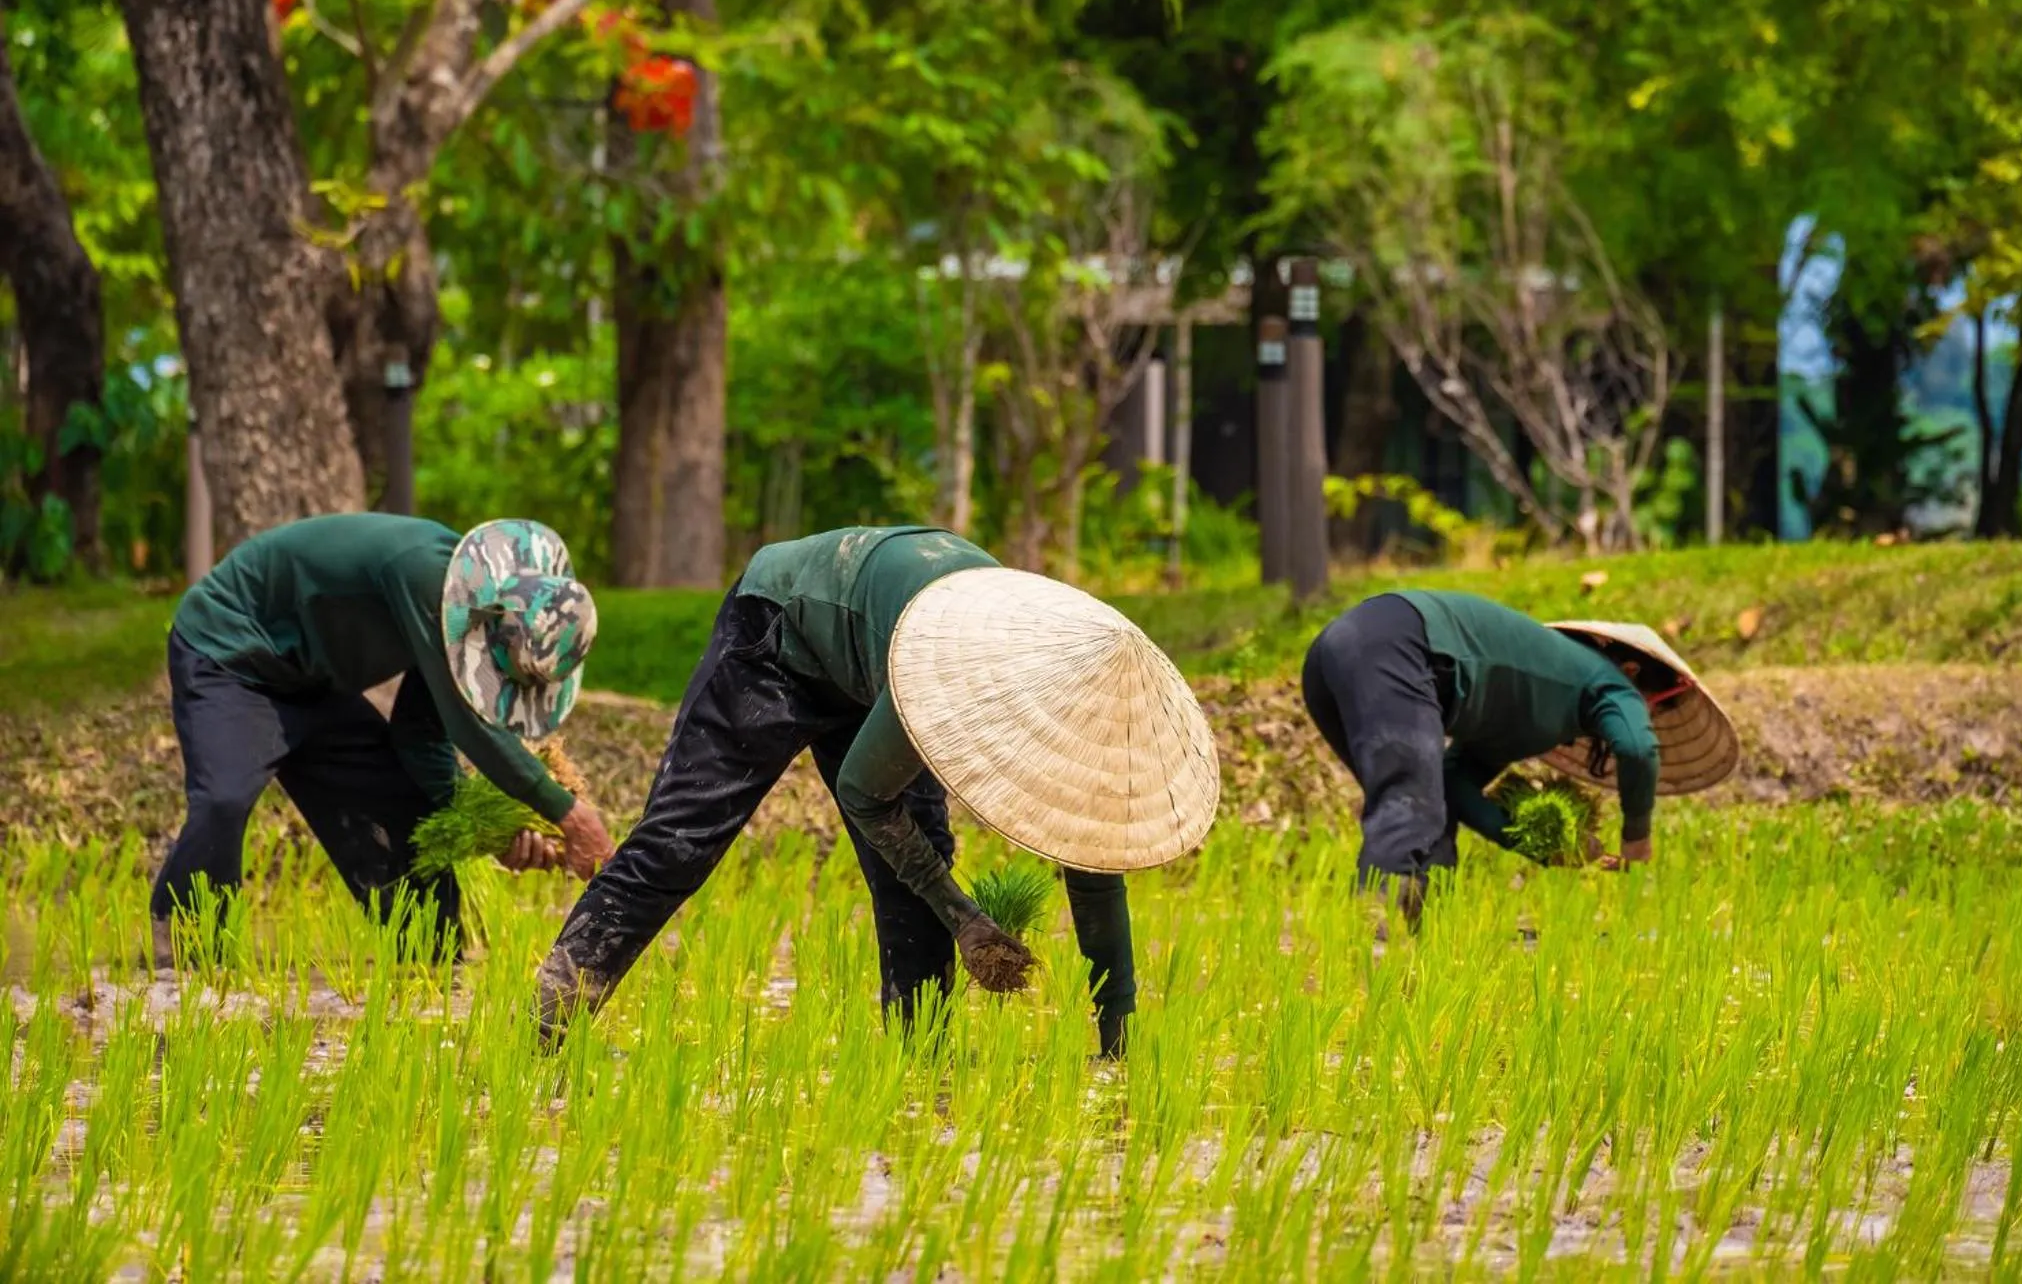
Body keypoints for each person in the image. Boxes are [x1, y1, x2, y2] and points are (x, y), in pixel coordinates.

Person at [532, 525, 1219, 1058]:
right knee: (682, 840)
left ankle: (922, 1060)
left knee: (917, 869)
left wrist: (1116, 1041)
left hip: (881, 636)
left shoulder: (1080, 713)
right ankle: (549, 1022)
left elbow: (1094, 870)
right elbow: (866, 795)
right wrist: (966, 919)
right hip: (782, 623)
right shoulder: (964, 670)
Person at [152, 514, 612, 966]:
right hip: (233, 651)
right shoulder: (431, 580)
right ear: (492, 625)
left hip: (317, 682)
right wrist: (567, 813)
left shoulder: (459, 618)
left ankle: (431, 956)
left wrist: (489, 828)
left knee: (399, 809)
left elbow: (420, 733)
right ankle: (184, 946)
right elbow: (467, 724)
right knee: (223, 800)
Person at [1300, 590, 1738, 929]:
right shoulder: (1607, 679)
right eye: (1650, 709)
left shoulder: (1533, 713)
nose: (1643, 718)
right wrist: (1636, 838)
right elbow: (1637, 749)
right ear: (1632, 673)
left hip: (1333, 656)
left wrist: (1543, 846)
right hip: (1398, 644)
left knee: (1429, 818)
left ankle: (1418, 953)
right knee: (1409, 806)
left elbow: (1454, 786)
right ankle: (1374, 945)